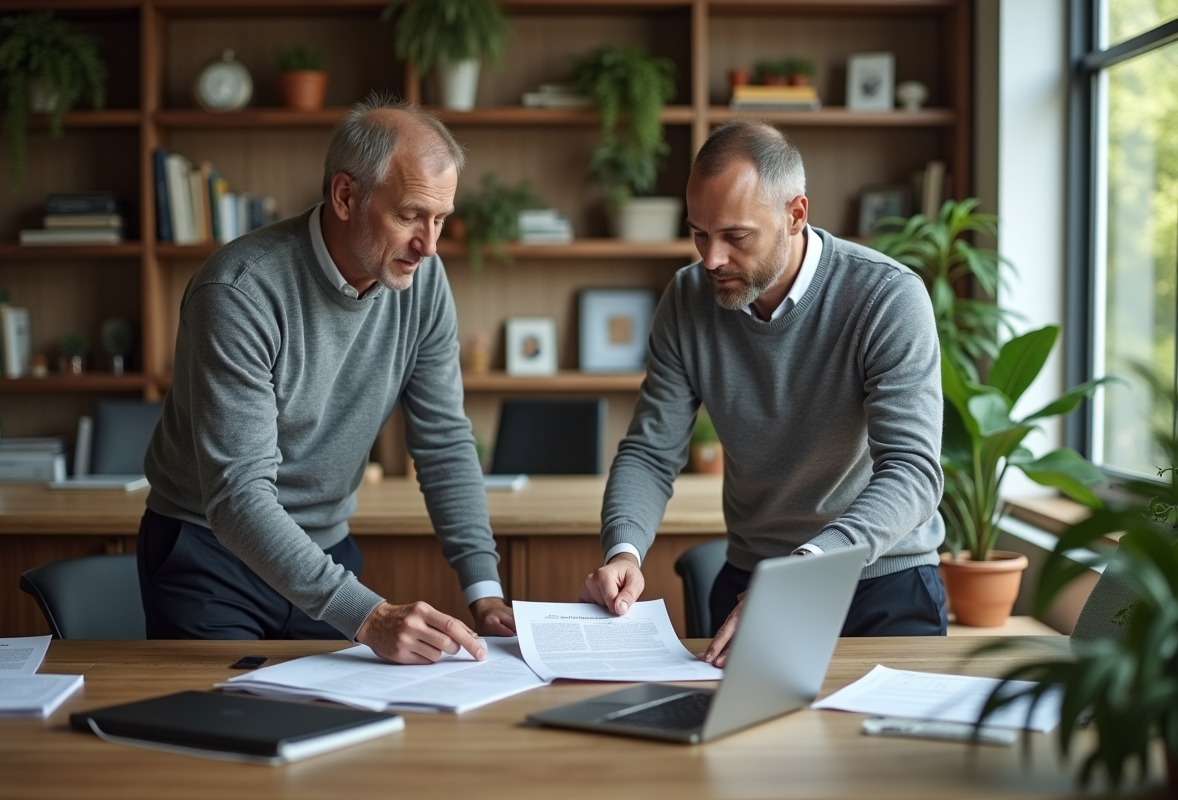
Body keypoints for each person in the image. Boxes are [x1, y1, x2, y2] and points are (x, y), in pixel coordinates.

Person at [139, 94, 515, 665]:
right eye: (411, 215)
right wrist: (367, 614)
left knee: (339, 735)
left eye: (441, 219)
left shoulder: (424, 282)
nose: (430, 246)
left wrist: (484, 593)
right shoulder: (239, 292)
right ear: (346, 196)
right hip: (209, 557)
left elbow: (443, 441)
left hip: (325, 549)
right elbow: (239, 496)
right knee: (220, 739)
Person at [578, 120, 946, 666]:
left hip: (882, 584)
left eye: (736, 236)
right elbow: (651, 451)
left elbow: (913, 472)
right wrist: (624, 548)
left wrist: (805, 570)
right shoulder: (687, 298)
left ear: (795, 214)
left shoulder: (886, 297)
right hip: (751, 583)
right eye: (699, 233)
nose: (711, 259)